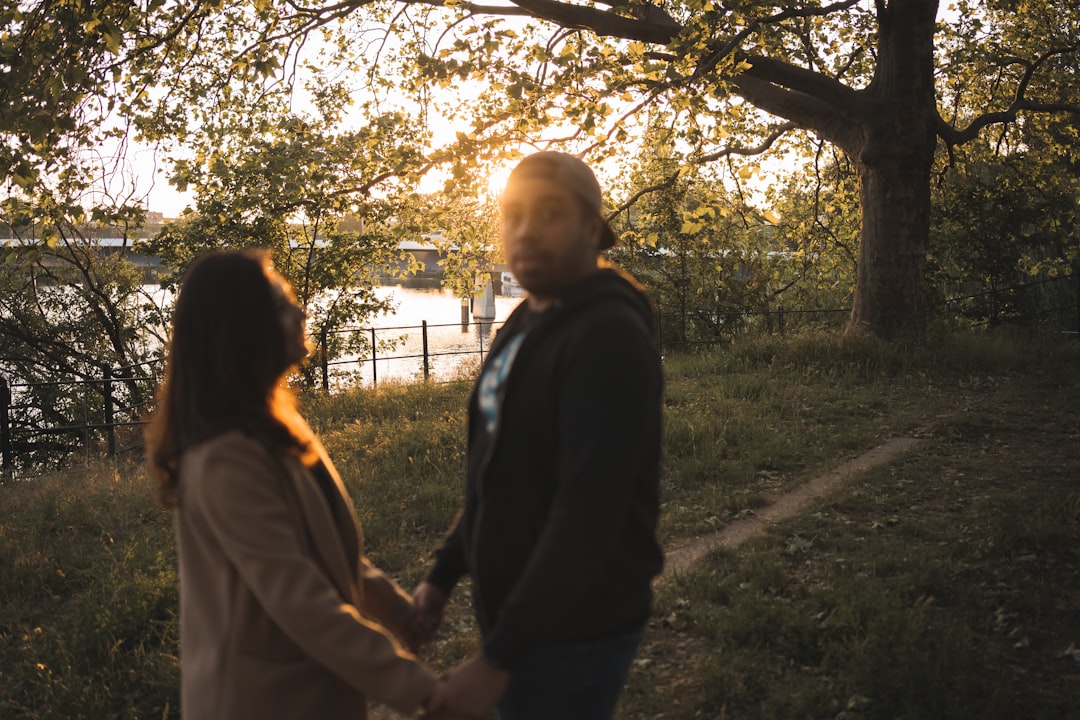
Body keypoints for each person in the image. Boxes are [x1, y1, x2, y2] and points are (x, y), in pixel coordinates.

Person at [412, 152, 665, 720]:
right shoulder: (527, 318)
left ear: (593, 229)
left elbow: (589, 512)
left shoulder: (607, 337)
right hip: (526, 616)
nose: (525, 230)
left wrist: (498, 658)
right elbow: (496, 471)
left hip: (576, 629)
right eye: (512, 214)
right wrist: (444, 572)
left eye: (549, 214)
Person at [146, 249, 444, 720]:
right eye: (282, 305)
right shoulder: (225, 458)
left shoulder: (274, 426)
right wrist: (422, 690)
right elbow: (301, 599)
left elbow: (323, 551)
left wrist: (396, 609)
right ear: (244, 330)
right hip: (259, 700)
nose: (302, 311)